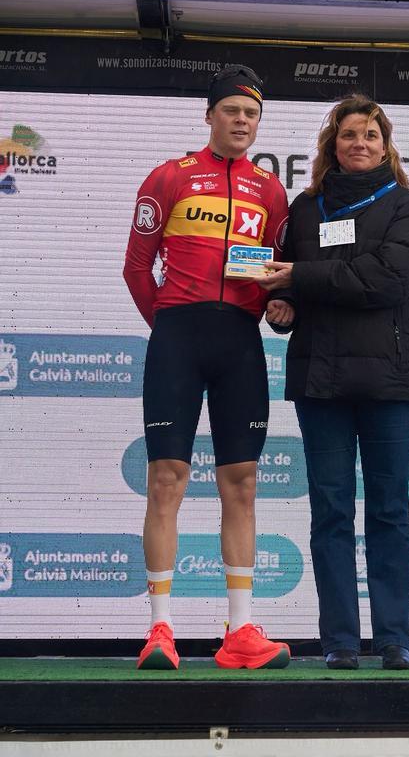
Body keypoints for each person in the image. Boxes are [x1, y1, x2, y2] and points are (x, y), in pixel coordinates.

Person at [122, 64, 291, 670]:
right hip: (179, 337)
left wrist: (278, 302)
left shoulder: (271, 192)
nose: (241, 122)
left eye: (251, 115)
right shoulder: (170, 177)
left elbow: (275, 275)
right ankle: (160, 629)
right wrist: (168, 327)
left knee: (241, 484)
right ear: (210, 115)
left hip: (240, 343)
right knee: (167, 479)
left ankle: (240, 631)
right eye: (231, 112)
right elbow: (137, 269)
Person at [256, 94, 409, 670]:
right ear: (333, 145)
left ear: (387, 147)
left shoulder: (406, 206)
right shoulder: (305, 210)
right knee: (330, 511)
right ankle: (339, 641)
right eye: (349, 135)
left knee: (389, 510)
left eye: (371, 136)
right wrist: (283, 305)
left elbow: (387, 280)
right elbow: (278, 281)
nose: (360, 144)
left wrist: (301, 279)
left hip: (391, 382)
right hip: (320, 379)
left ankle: (394, 638)